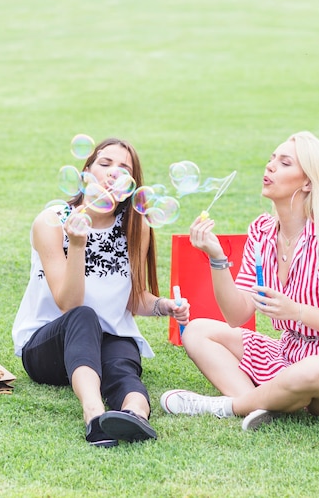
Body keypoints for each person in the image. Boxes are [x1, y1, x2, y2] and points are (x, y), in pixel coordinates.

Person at [160, 131, 319, 430]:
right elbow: (236, 314)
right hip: (289, 354)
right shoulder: (262, 231)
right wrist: (217, 258)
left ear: (308, 182)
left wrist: (295, 311)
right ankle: (261, 406)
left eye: (284, 163)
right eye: (271, 159)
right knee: (197, 331)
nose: (269, 167)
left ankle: (227, 406)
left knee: (311, 371)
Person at [13, 137, 189, 447]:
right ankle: (95, 416)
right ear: (86, 172)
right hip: (48, 345)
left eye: (124, 169)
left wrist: (164, 305)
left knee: (122, 365)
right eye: (105, 164)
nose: (112, 173)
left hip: (107, 338)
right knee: (84, 316)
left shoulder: (136, 226)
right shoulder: (52, 222)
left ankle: (135, 417)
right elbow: (69, 303)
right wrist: (77, 244)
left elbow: (132, 298)